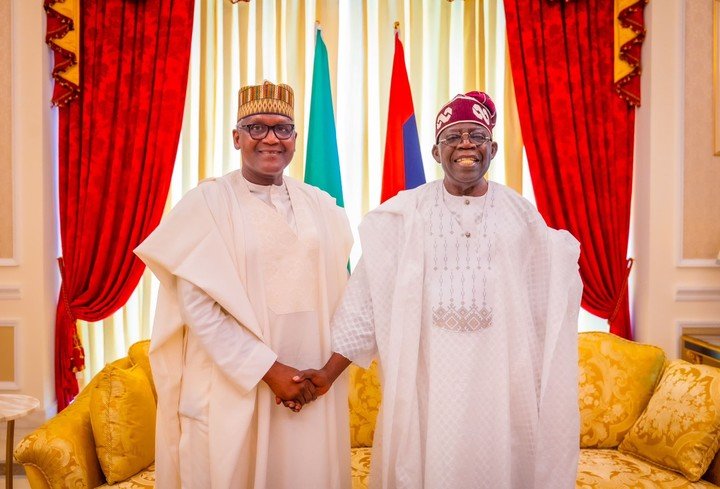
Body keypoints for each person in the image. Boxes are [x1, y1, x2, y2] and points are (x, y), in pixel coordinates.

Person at [299, 91, 583, 488]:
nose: (465, 144)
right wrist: (328, 375)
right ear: (435, 151)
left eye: (476, 136)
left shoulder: (521, 216)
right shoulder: (404, 215)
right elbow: (367, 301)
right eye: (453, 137)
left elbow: (545, 297)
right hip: (427, 383)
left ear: (493, 148)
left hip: (500, 384)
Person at [135, 81, 353, 489]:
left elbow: (342, 295)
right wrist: (268, 370)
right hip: (233, 383)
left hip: (309, 384)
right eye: (256, 127)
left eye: (282, 128)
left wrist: (319, 374)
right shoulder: (207, 204)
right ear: (236, 137)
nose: (271, 138)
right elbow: (198, 306)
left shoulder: (321, 206)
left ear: (295, 139)